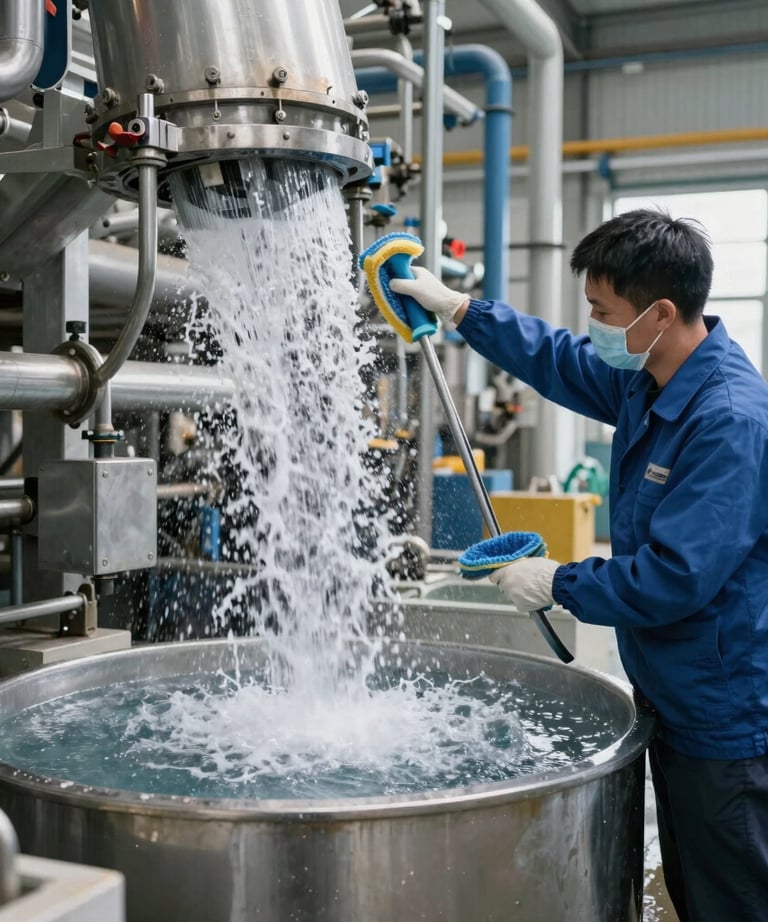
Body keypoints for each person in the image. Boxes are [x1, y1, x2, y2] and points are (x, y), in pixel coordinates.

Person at [390, 208, 768, 922]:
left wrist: (558, 581)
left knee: (735, 894)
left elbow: (671, 579)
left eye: (603, 310)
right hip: (675, 690)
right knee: (696, 886)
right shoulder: (652, 375)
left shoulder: (726, 420)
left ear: (660, 312)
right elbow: (559, 358)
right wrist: (463, 310)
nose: (592, 321)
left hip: (724, 708)